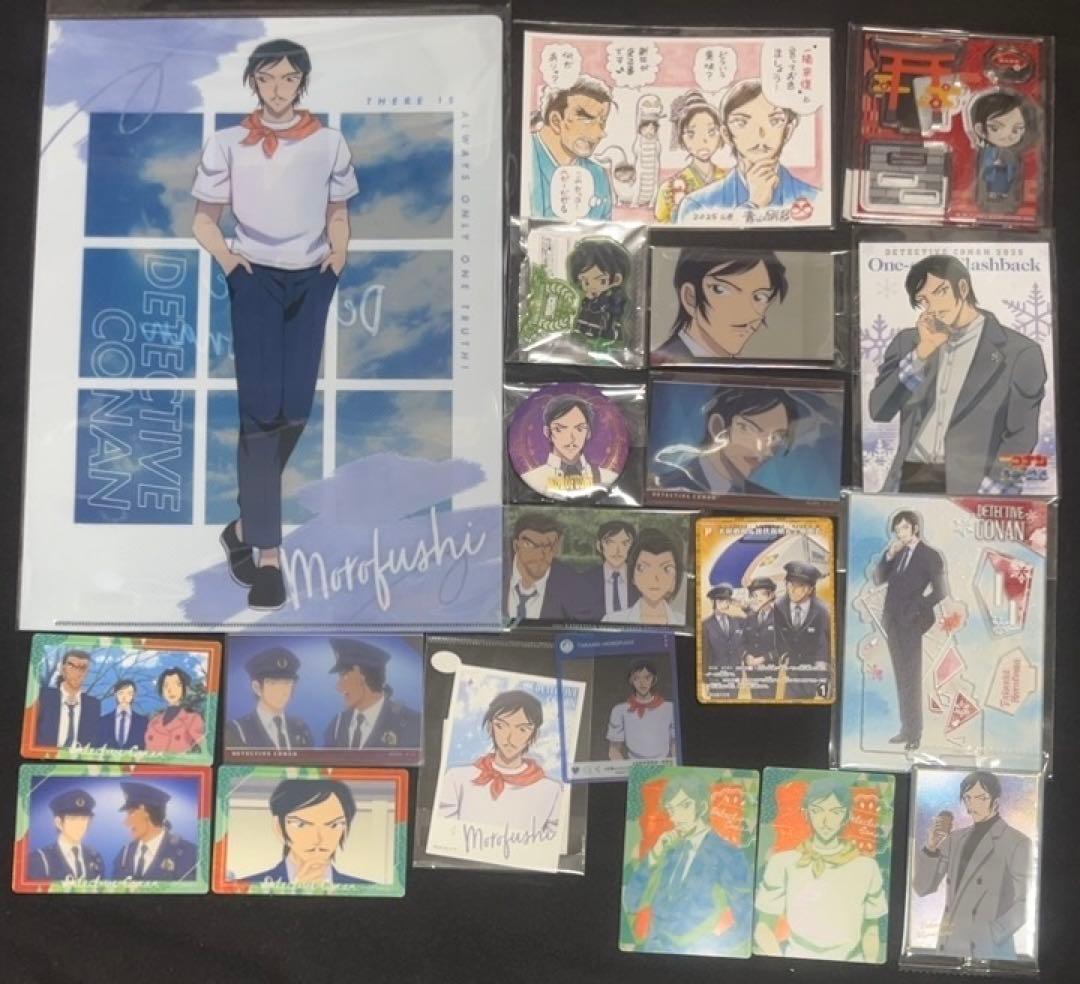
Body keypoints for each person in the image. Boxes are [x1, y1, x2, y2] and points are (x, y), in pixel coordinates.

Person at [192, 38, 358, 609]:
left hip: (313, 277)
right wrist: (230, 263)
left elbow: (339, 212)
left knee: (295, 410)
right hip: (254, 278)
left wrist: (338, 257)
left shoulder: (329, 142)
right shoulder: (227, 143)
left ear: (301, 82)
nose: (278, 89)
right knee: (261, 415)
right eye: (267, 79)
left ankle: (243, 526)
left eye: (288, 78)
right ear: (254, 83)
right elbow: (204, 219)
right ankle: (268, 556)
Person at [867, 255, 1047, 493]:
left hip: (974, 486)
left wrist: (992, 495)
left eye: (939, 292)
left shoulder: (1020, 352)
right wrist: (922, 353)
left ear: (962, 288)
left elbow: (1021, 436)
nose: (933, 308)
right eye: (924, 300)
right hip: (909, 477)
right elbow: (879, 411)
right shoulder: (909, 342)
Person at [755, 778, 887, 962]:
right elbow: (763, 929)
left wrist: (867, 968)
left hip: (851, 964)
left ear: (847, 816)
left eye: (836, 812)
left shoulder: (866, 867)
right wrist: (783, 966)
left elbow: (871, 931)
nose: (826, 821)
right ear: (806, 813)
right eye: (817, 811)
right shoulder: (782, 863)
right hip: (796, 961)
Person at [623, 772, 753, 955]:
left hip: (697, 954)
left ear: (702, 807)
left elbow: (748, 920)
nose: (676, 817)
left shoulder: (728, 855)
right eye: (671, 809)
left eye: (684, 806)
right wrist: (654, 854)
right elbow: (632, 902)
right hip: (652, 950)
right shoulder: (669, 849)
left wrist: (717, 947)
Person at [912, 771, 1032, 959]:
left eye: (981, 798)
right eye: (968, 798)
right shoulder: (955, 839)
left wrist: (994, 933)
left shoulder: (1017, 842)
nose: (972, 804)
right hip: (949, 946)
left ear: (996, 801)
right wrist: (931, 846)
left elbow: (1026, 902)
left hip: (990, 951)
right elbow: (922, 888)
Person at [678, 79, 818, 218]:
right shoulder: (696, 205)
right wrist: (753, 204)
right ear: (726, 134)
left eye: (774, 121)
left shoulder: (816, 199)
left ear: (787, 131)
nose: (759, 134)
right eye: (741, 122)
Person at [872, 510, 948, 750]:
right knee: (901, 676)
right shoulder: (898, 553)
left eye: (904, 528)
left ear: (915, 527)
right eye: (897, 530)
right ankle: (906, 729)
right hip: (892, 620)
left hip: (912, 622)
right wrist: (889, 555)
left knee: (911, 677)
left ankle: (915, 733)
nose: (901, 533)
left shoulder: (930, 555)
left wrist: (918, 607)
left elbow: (941, 591)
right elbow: (878, 579)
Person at [437, 690, 563, 835]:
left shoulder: (551, 790)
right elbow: (444, 833)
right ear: (490, 727)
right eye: (501, 726)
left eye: (522, 729)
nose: (510, 738)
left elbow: (552, 841)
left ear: (534, 735)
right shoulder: (457, 779)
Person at [656, 387, 801, 495]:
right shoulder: (665, 488)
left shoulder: (768, 500)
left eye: (776, 437)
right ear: (717, 426)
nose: (766, 450)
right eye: (749, 429)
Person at [651, 249, 789, 363]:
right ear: (690, 297)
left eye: (760, 297)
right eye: (721, 290)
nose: (748, 314)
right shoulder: (666, 364)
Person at [242, 778, 368, 884]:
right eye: (301, 825)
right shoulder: (246, 886)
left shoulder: (366, 889)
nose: (318, 838)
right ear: (278, 827)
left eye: (334, 825)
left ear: (345, 829)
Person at [530, 75, 614, 219]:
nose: (600, 133)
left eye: (602, 122)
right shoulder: (525, 158)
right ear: (556, 121)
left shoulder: (599, 176)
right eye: (587, 120)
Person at [324, 638, 421, 750]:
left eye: (344, 676)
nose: (338, 687)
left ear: (362, 675)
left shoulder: (412, 724)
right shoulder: (337, 725)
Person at [519, 395, 618, 498]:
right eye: (559, 429)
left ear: (588, 432)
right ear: (547, 432)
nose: (571, 438)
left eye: (579, 429)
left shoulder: (607, 478)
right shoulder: (531, 478)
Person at [655, 90, 726, 223]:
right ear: (682, 138)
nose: (703, 141)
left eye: (711, 132)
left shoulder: (730, 181)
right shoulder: (669, 189)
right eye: (692, 134)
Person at [226, 646, 314, 751]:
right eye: (273, 683)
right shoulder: (237, 731)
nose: (282, 691)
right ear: (257, 687)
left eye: (287, 683)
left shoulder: (301, 729)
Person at [969, 90, 1039, 213]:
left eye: (1016, 129)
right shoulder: (986, 153)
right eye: (995, 127)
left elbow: (1015, 174)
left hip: (1007, 190)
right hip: (989, 188)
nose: (1007, 135)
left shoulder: (1014, 155)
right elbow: (984, 173)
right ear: (980, 130)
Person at [113, 782, 198, 881]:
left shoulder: (189, 855)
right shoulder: (125, 854)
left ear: (144, 811)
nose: (125, 822)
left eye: (130, 813)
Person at [505, 513, 582, 621]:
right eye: (531, 545)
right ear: (516, 546)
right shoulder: (490, 575)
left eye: (548, 546)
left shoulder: (574, 585)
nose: (540, 555)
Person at [774, 562, 831, 700]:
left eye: (799, 586)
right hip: (791, 677)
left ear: (810, 589)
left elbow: (822, 649)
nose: (792, 590)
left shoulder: (821, 611)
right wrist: (783, 655)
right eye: (789, 584)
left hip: (814, 675)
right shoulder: (779, 607)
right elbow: (778, 638)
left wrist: (821, 688)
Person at [603, 528, 683, 625]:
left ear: (675, 578)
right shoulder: (612, 620)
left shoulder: (683, 622)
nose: (655, 577)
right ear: (633, 576)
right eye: (643, 567)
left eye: (667, 569)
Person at [28, 788, 105, 881]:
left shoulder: (95, 858)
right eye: (72, 819)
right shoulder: (40, 860)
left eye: (84, 819)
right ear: (58, 823)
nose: (79, 825)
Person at [607, 660, 676, 761]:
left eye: (647, 677)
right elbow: (614, 750)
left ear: (654, 679)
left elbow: (675, 746)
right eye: (636, 678)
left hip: (664, 766)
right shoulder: (619, 710)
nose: (642, 683)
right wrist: (625, 769)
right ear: (631, 680)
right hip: (632, 766)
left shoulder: (669, 708)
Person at [566, 238, 631, 344]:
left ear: (616, 279)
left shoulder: (614, 299)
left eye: (601, 280)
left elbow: (616, 310)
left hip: (605, 333)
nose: (591, 286)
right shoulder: (587, 299)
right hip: (586, 329)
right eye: (585, 281)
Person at [35, 648, 102, 750]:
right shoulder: (43, 696)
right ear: (63, 669)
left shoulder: (93, 705)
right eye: (72, 666)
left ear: (87, 673)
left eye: (83, 668)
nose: (77, 672)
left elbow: (93, 743)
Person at [579, 519, 639, 622]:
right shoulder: (584, 582)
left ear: (633, 547)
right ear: (599, 546)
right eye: (610, 542)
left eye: (624, 543)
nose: (617, 550)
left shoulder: (641, 580)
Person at [145, 668, 205, 754]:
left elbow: (206, 750)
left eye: (177, 685)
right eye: (166, 686)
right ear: (162, 690)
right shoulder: (154, 722)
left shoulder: (192, 719)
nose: (171, 690)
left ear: (186, 688)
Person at [742, 576, 779, 698]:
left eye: (761, 594)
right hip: (751, 672)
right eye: (754, 595)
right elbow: (742, 642)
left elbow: (783, 647)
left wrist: (762, 659)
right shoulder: (750, 618)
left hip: (769, 672)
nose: (757, 599)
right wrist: (746, 656)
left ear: (771, 595)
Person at [630, 94, 664, 208]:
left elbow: (658, 153)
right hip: (642, 168)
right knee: (640, 181)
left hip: (653, 168)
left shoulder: (656, 142)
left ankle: (652, 202)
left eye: (652, 129)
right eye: (646, 128)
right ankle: (635, 201)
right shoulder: (639, 142)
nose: (649, 131)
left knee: (654, 182)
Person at [100, 679, 148, 751]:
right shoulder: (103, 721)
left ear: (134, 696)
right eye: (121, 693)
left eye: (129, 693)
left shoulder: (143, 722)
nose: (124, 697)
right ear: (115, 694)